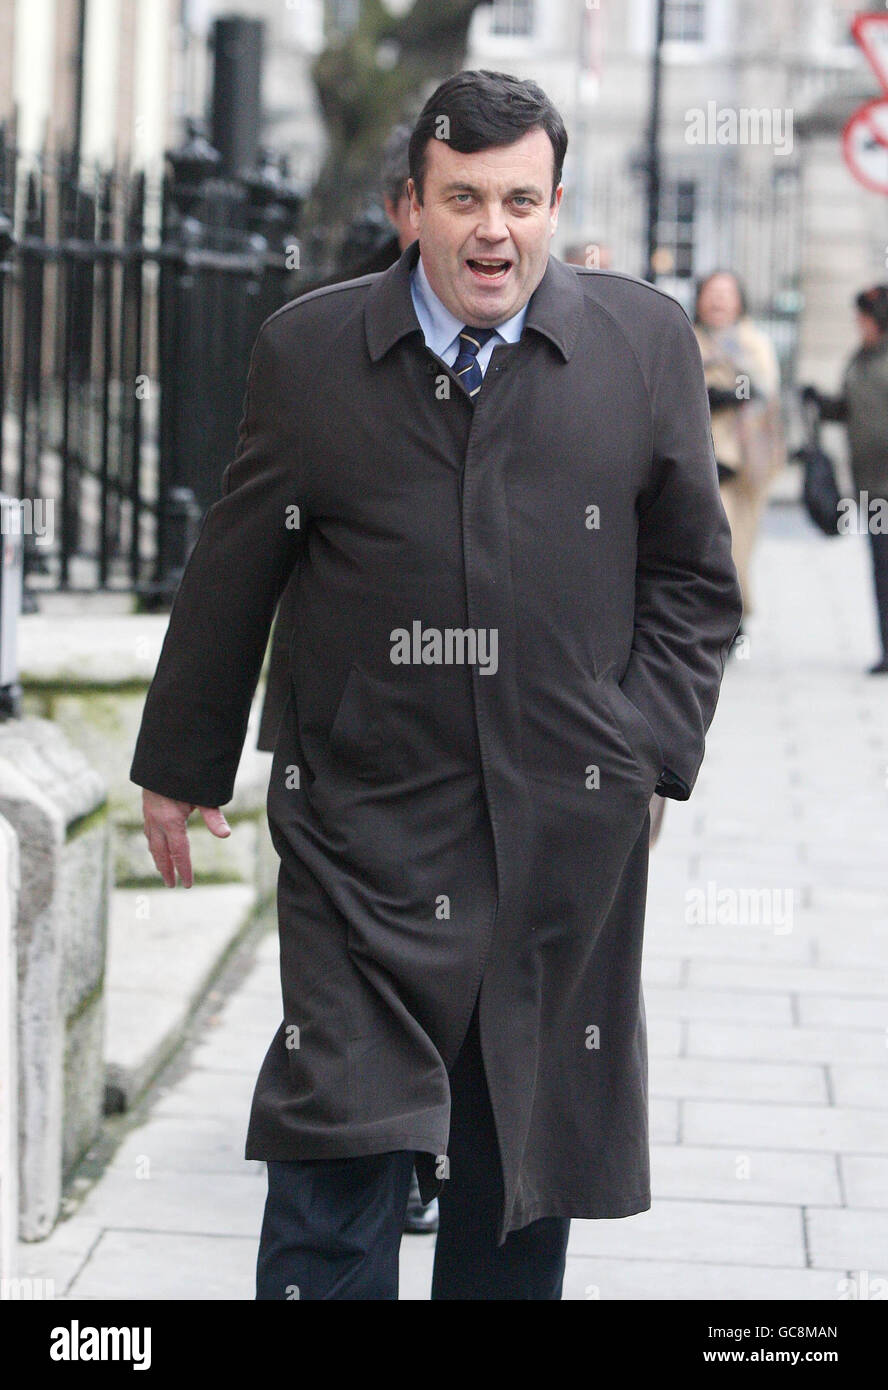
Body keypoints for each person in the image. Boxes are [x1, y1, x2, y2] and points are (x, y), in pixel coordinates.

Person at [130, 69, 742, 1301]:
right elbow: (235, 563)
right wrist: (178, 763)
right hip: (365, 836)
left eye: (520, 199)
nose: (493, 230)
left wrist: (638, 752)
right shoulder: (312, 352)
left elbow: (692, 581)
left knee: (516, 1185)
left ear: (556, 202)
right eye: (463, 197)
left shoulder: (641, 345)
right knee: (334, 1161)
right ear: (413, 206)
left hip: (559, 844)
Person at [693, 269, 786, 643]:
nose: (717, 301)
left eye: (725, 293)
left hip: (745, 463)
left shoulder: (754, 344)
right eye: (711, 293)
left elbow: (766, 394)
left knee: (736, 543)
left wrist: (732, 394)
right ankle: (710, 618)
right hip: (701, 459)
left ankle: (735, 615)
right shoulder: (687, 337)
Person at [802, 284, 888, 675]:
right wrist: (822, 403)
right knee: (882, 569)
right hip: (874, 492)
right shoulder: (862, 359)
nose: (859, 324)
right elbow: (853, 410)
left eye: (864, 318)